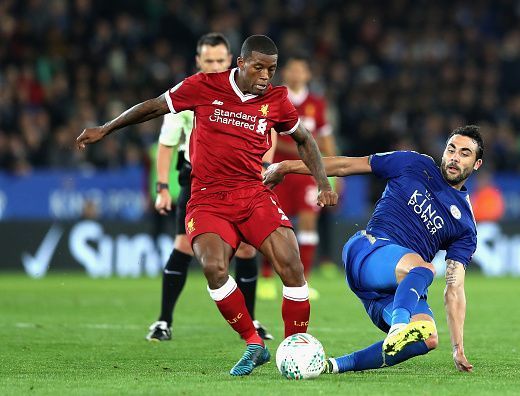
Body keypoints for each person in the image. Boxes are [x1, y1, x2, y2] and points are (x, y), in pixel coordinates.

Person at [76, 35, 338, 376]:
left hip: (253, 194)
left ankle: (294, 348)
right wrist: (106, 129)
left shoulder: (277, 100)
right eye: (258, 67)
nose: (265, 76)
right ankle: (253, 342)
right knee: (214, 268)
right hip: (207, 199)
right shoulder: (203, 86)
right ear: (240, 63)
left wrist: (323, 182)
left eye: (271, 70)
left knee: (291, 265)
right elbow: (154, 105)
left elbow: (304, 140)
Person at [264, 125, 483, 373]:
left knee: (427, 338)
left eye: (465, 153)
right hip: (368, 252)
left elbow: (454, 289)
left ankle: (332, 367)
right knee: (425, 268)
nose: (455, 157)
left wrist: (458, 347)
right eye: (451, 149)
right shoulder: (414, 164)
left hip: (395, 289)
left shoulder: (464, 224)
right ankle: (399, 325)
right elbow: (346, 166)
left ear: (476, 164)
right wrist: (286, 166)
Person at [146, 32, 272, 342]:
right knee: (184, 245)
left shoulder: (250, 87)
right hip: (197, 179)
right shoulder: (191, 91)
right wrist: (163, 186)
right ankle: (163, 321)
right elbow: (166, 143)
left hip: (243, 179)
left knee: (246, 247)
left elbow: (270, 128)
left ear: (231, 60)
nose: (215, 65)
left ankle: (252, 321)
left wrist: (265, 166)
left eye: (220, 60)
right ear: (198, 61)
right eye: (209, 60)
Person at [259, 54, 338, 300]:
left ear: (307, 75)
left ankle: (304, 281)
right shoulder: (275, 98)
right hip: (279, 170)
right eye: (292, 70)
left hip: (306, 174)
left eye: (300, 71)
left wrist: (335, 171)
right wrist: (299, 150)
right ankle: (267, 277)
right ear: (286, 74)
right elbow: (268, 136)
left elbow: (324, 139)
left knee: (308, 223)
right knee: (269, 223)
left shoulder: (317, 103)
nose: (296, 75)